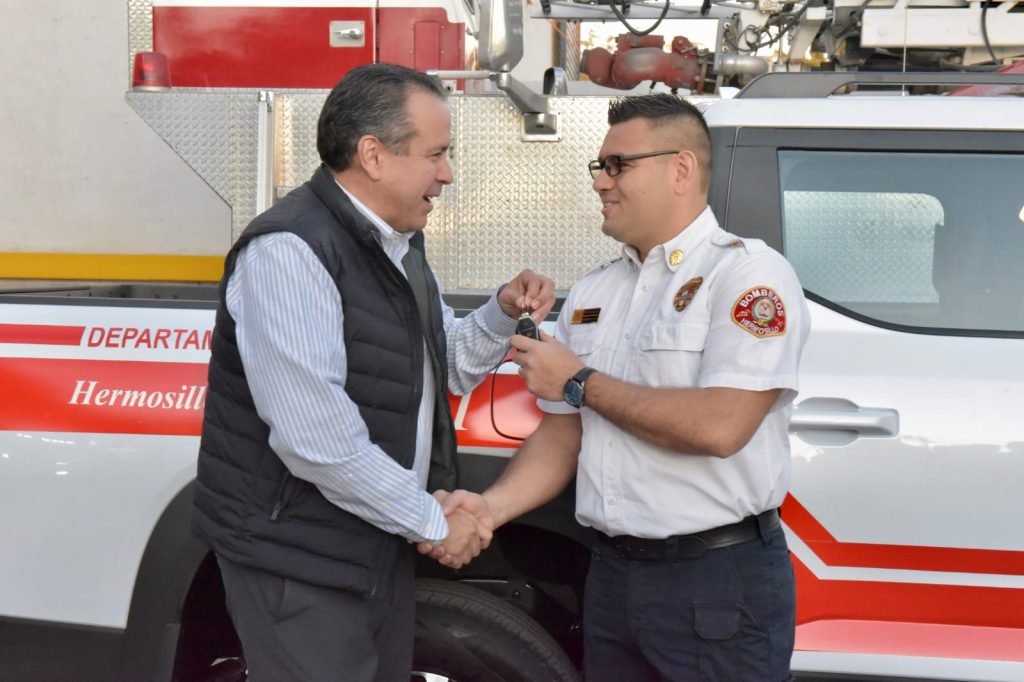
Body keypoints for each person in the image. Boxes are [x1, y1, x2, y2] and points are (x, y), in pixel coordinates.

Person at [191, 63, 554, 682]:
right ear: (373, 155)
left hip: (370, 545)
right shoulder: (290, 251)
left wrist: (500, 311)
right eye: (435, 154)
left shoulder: (396, 246)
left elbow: (446, 367)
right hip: (300, 561)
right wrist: (434, 522)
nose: (447, 173)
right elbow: (316, 439)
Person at [430, 93, 809, 680]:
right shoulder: (595, 291)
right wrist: (487, 510)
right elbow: (564, 434)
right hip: (612, 578)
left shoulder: (747, 275)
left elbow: (722, 426)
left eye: (618, 166)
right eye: (599, 166)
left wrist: (578, 380)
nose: (599, 182)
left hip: (715, 582)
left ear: (681, 169)